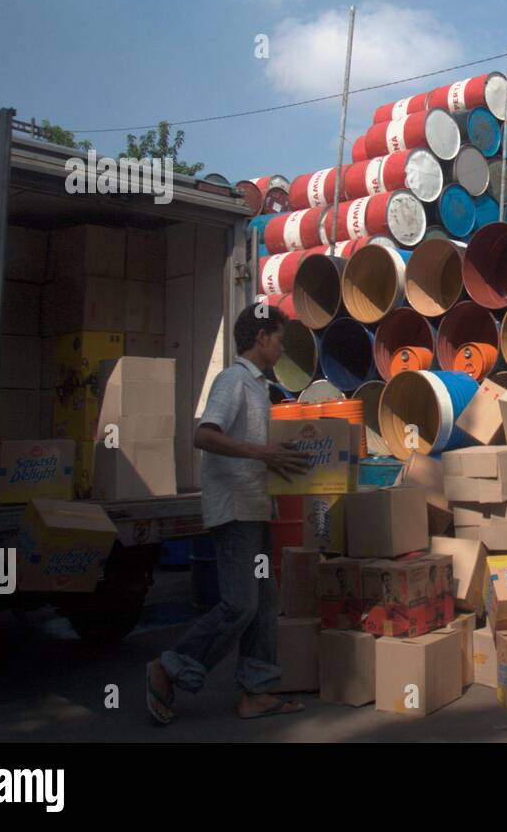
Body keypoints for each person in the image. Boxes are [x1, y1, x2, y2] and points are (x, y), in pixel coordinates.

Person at [146, 303, 311, 724]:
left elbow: (251, 446)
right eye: (278, 338)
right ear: (261, 338)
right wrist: (261, 453)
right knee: (240, 603)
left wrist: (276, 457)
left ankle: (256, 691)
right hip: (234, 512)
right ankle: (170, 666)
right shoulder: (233, 381)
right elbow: (204, 435)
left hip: (255, 510)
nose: (280, 347)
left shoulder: (259, 386)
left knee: (264, 601)